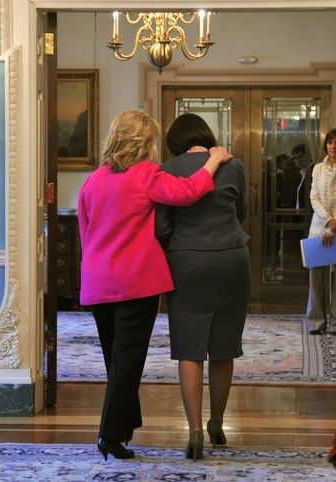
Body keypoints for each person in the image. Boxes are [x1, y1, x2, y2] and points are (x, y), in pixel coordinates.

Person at [77, 110, 232, 461]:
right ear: (145, 142)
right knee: (127, 363)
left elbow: (85, 235)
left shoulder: (93, 181)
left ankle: (121, 432)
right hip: (135, 282)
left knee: (115, 361)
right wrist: (215, 159)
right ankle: (109, 435)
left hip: (99, 282)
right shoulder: (146, 174)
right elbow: (189, 191)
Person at [155, 113, 250, 460]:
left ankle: (194, 429)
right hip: (232, 260)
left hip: (186, 262)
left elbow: (162, 226)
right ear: (206, 135)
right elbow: (242, 213)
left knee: (189, 348)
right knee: (224, 348)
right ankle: (217, 423)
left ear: (175, 142)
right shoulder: (233, 164)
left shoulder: (166, 169)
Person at [305, 128, 336, 335]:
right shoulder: (317, 169)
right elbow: (314, 197)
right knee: (317, 278)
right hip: (319, 229)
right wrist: (328, 220)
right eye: (330, 142)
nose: (333, 146)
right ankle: (316, 322)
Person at [291, 143, 315, 211]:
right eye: (295, 158)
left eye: (300, 156)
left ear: (308, 156)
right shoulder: (300, 173)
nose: (297, 160)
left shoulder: (314, 172)